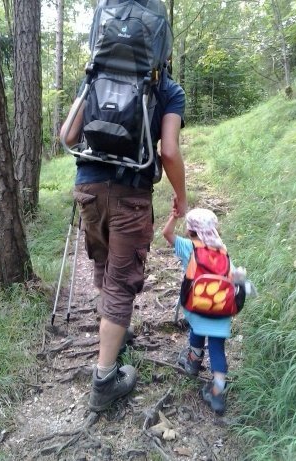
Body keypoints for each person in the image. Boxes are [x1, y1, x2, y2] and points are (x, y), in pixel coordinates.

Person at [60, 68, 187, 412]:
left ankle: (114, 330)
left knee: (104, 262)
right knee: (121, 280)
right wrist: (182, 196)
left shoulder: (95, 75)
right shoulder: (167, 89)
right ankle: (105, 380)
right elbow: (170, 152)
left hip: (88, 186)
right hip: (131, 193)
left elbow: (68, 135)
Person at [163, 208, 256, 415]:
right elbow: (235, 280)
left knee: (196, 329)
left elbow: (166, 235)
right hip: (221, 310)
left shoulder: (189, 247)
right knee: (217, 348)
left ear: (189, 231)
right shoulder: (223, 252)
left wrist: (174, 216)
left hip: (196, 307)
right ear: (214, 229)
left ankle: (194, 362)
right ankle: (217, 391)